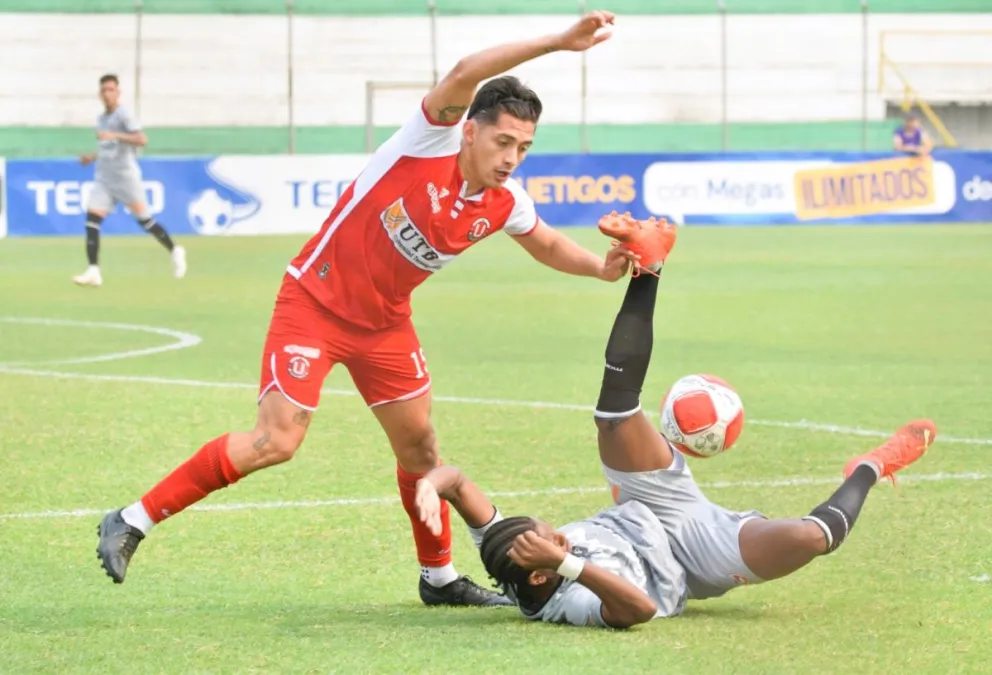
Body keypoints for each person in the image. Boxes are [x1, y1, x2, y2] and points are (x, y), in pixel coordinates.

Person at [96, 11, 669, 608]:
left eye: (523, 148)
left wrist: (600, 269)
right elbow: (467, 71)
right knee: (276, 440)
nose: (511, 157)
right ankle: (132, 519)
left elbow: (547, 242)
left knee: (420, 449)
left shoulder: (503, 202)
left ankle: (439, 578)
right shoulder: (428, 140)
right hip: (313, 303)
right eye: (503, 141)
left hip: (385, 324)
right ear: (470, 130)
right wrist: (558, 41)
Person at [413, 213, 938, 627]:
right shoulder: (564, 602)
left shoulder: (506, 550)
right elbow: (638, 610)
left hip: (647, 506)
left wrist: (429, 489)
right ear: (538, 579)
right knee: (810, 539)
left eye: (550, 532)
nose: (560, 535)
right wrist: (568, 565)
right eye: (554, 543)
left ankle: (650, 267)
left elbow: (456, 482)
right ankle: (870, 466)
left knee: (613, 418)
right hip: (694, 555)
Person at [73, 74, 186, 288]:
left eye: (111, 90)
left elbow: (142, 139)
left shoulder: (124, 115)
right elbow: (108, 146)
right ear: (100, 94)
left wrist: (115, 135)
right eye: (104, 90)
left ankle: (174, 249)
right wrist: (92, 156)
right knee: (92, 220)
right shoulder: (101, 119)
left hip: (126, 178)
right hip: (104, 177)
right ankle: (94, 270)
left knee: (146, 221)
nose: (108, 94)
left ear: (118, 92)